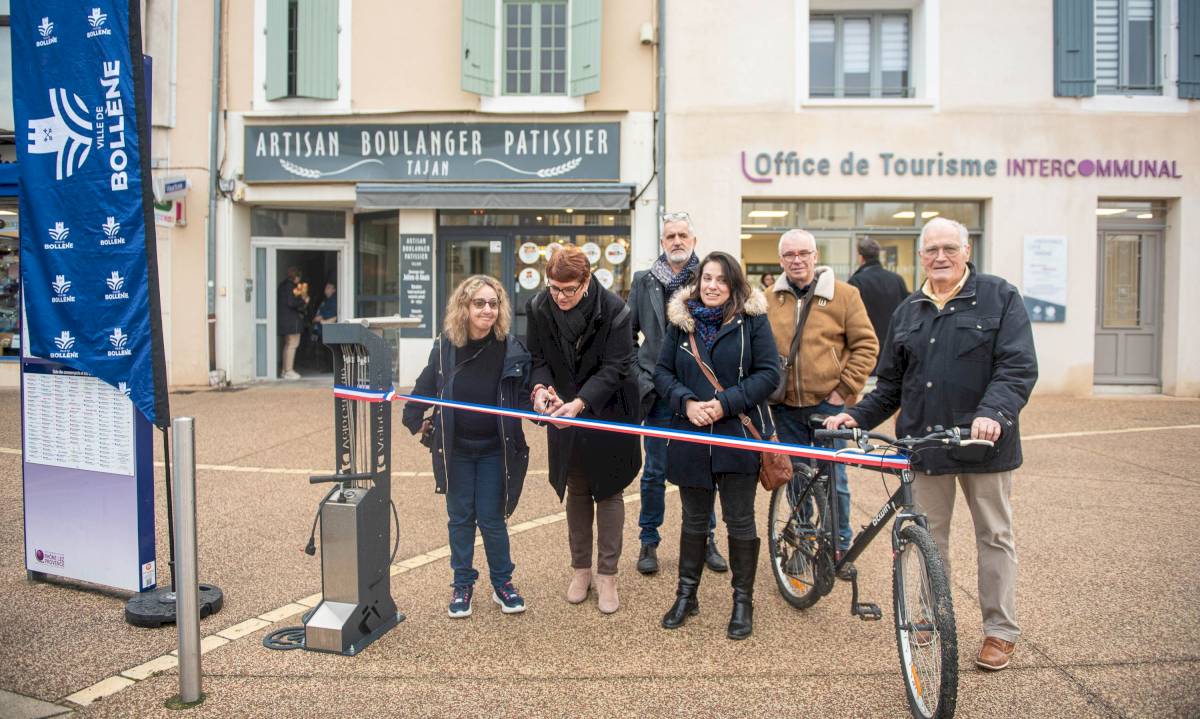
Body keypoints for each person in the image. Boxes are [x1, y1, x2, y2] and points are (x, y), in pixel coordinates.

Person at [825, 217, 1037, 672]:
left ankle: (1000, 631)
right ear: (920, 256)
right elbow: (891, 385)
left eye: (949, 248)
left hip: (985, 443)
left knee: (995, 536)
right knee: (925, 538)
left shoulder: (1001, 297)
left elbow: (1017, 367)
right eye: (931, 250)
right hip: (925, 444)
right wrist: (856, 414)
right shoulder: (908, 310)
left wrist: (992, 414)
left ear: (966, 251)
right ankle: (926, 616)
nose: (940, 257)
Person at [654, 251, 781, 640]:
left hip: (737, 434)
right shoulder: (681, 323)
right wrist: (686, 402)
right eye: (706, 278)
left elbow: (769, 374)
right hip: (691, 434)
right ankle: (686, 595)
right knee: (693, 519)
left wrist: (725, 403)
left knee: (739, 520)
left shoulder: (752, 322)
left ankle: (743, 602)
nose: (712, 286)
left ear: (734, 285)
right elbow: (661, 372)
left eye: (721, 280)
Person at [402, 275, 532, 618]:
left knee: (491, 518)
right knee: (460, 519)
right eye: (479, 303)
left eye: (493, 303)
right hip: (456, 449)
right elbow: (426, 386)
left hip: (494, 449)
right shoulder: (445, 347)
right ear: (464, 307)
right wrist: (416, 420)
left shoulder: (510, 348)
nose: (487, 310)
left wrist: (547, 408)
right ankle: (462, 584)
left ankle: (503, 584)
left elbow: (525, 396)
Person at [525, 245, 642, 614]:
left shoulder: (615, 311)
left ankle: (608, 575)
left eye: (568, 290)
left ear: (587, 281)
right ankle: (581, 570)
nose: (560, 296)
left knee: (608, 490)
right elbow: (537, 358)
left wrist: (581, 402)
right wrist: (541, 389)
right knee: (575, 487)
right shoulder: (539, 307)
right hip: (563, 409)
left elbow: (617, 366)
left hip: (609, 408)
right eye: (554, 288)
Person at [767, 230, 877, 577]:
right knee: (796, 478)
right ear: (780, 259)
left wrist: (843, 391)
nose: (796, 260)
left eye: (803, 253)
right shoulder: (769, 299)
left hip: (829, 407)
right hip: (785, 408)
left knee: (834, 479)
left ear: (815, 256)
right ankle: (802, 542)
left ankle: (839, 545)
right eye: (789, 255)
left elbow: (866, 345)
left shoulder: (845, 295)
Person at [627, 210, 725, 577]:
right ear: (662, 242)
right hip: (657, 395)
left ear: (694, 241)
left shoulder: (711, 280)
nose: (677, 242)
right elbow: (627, 335)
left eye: (683, 235)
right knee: (653, 472)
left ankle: (707, 540)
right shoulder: (644, 281)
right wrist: (642, 378)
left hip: (700, 396)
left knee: (703, 470)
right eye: (671, 237)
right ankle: (648, 541)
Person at [847, 238, 909, 375]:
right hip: (894, 348)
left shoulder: (856, 281)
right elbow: (907, 313)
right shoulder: (897, 279)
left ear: (860, 257)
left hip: (867, 350)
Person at [277, 266, 307, 380]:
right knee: (293, 344)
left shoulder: (282, 285)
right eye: (299, 277)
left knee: (287, 344)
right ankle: (289, 371)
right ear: (296, 277)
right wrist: (303, 300)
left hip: (284, 320)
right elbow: (292, 303)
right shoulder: (291, 287)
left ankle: (284, 370)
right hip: (291, 320)